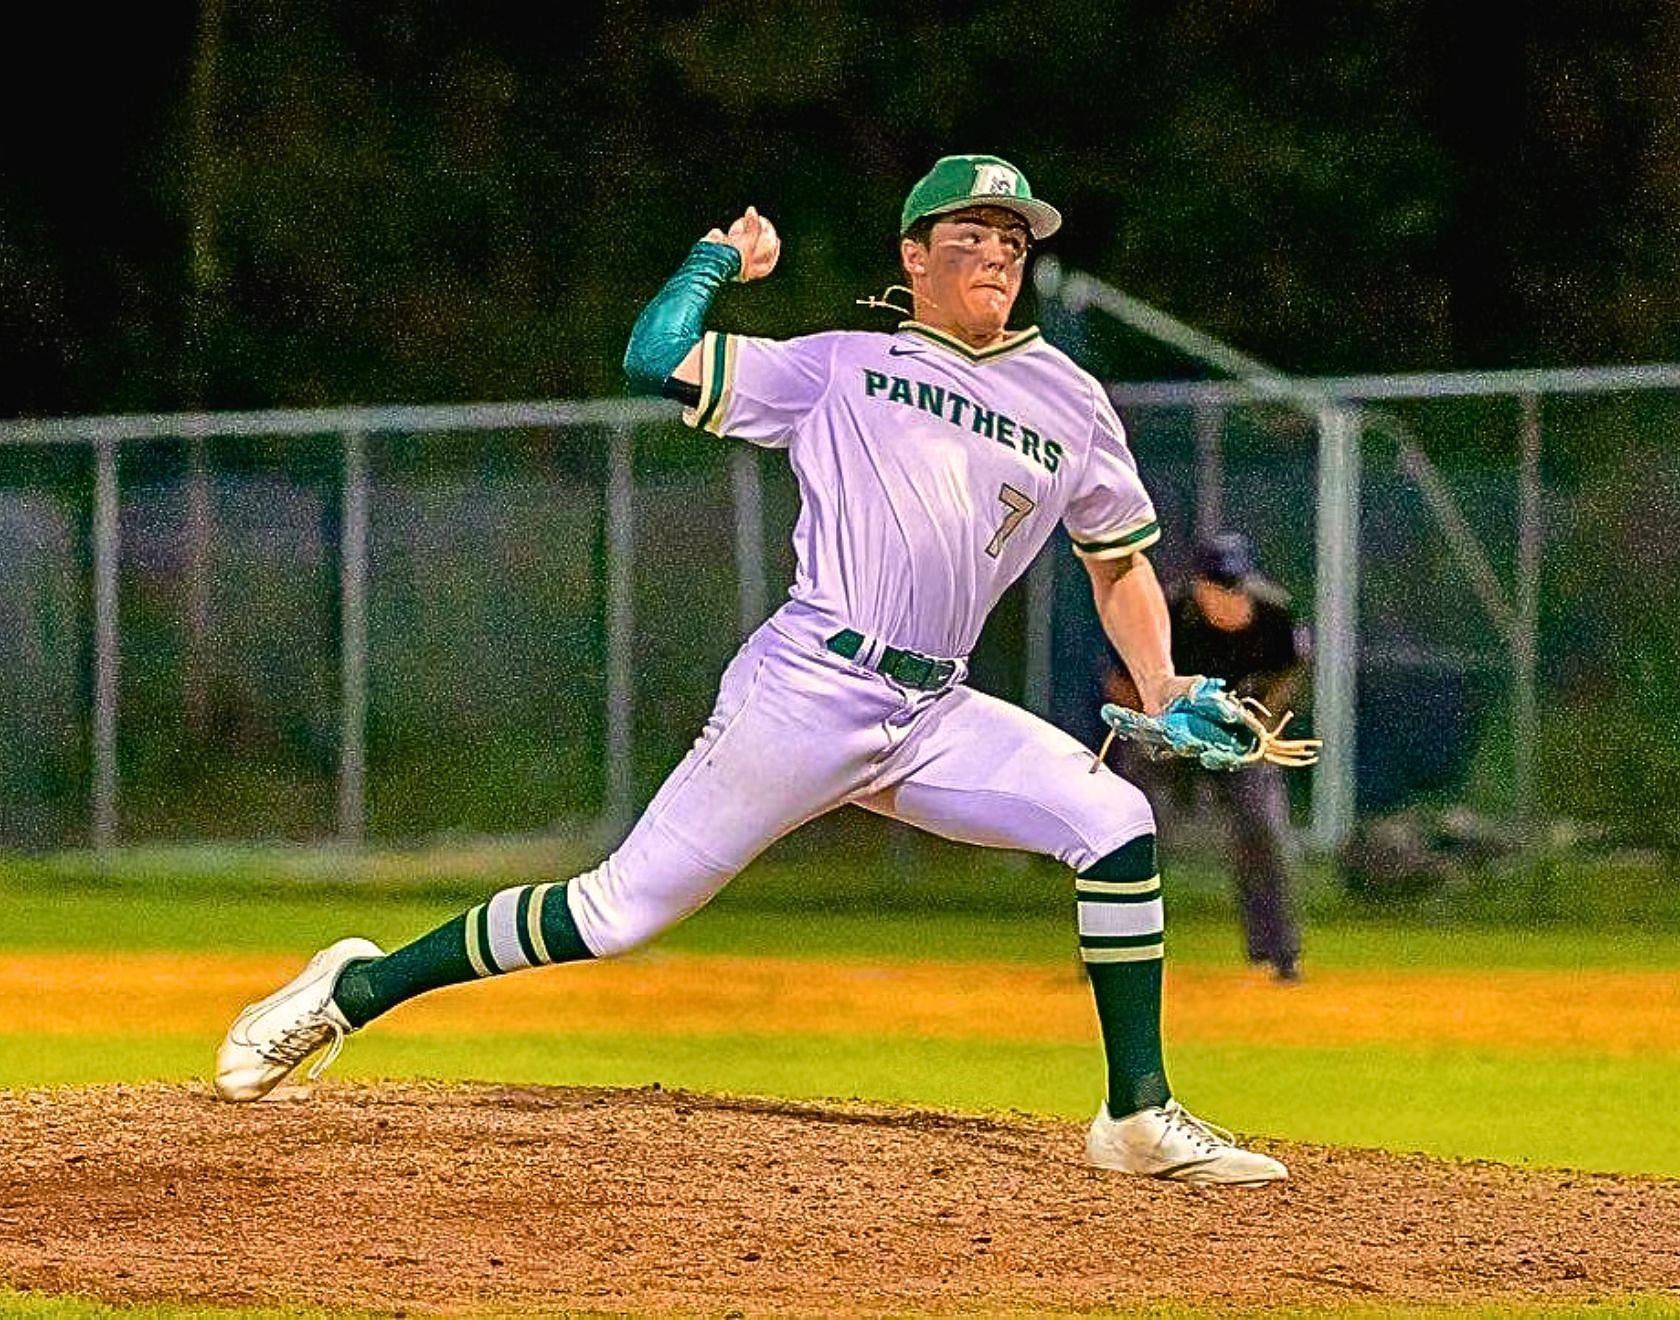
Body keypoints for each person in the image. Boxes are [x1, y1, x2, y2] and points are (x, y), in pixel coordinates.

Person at [215, 154, 1288, 1186]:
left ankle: (1137, 1115)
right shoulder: (842, 367)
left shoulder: (1070, 399)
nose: (998, 253)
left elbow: (1121, 565)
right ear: (913, 257)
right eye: (971, 234)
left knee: (1114, 823)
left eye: (1014, 237)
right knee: (613, 914)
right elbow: (655, 359)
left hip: (937, 705)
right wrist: (712, 263)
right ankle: (353, 990)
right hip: (810, 688)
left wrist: (1161, 688)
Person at [1102, 531, 1311, 981]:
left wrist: (1259, 723)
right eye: (1217, 585)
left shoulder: (1273, 614)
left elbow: (1290, 672)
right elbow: (1120, 683)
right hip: (1168, 728)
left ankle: (1280, 954)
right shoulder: (1167, 614)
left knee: (1264, 827)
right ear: (1197, 585)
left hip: (1232, 732)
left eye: (1235, 584)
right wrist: (1161, 725)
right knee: (1124, 827)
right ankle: (1113, 949)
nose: (1228, 595)